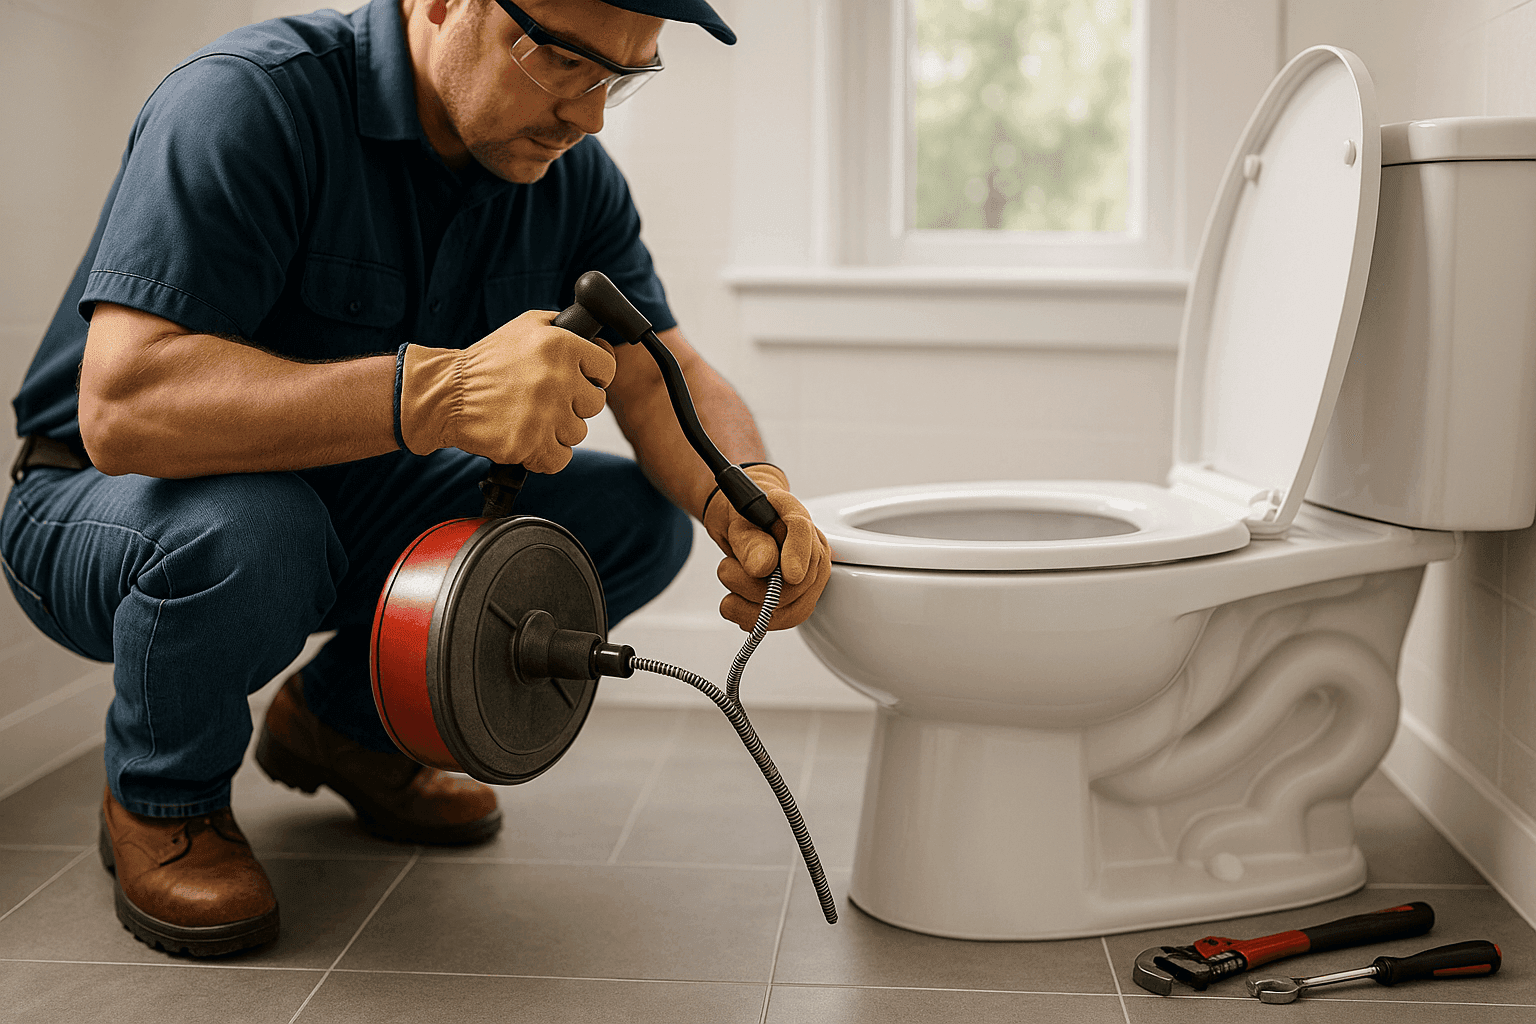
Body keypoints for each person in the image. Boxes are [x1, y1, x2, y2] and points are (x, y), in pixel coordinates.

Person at [2, 0, 830, 957]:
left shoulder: (569, 178)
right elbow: (124, 407)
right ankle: (163, 799)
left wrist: (751, 493)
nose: (589, 115)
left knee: (630, 519)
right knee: (256, 526)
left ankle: (348, 727)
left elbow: (655, 372)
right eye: (563, 59)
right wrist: (444, 390)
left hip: (346, 499)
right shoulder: (249, 102)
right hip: (105, 509)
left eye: (621, 76)